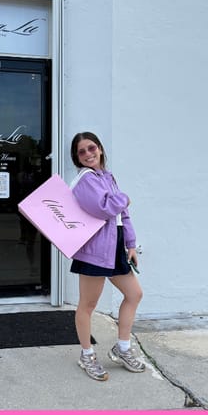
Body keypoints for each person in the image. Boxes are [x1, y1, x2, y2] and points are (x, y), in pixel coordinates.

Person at [69, 131, 145, 381]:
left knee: (134, 294)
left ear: (100, 149)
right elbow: (105, 208)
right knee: (88, 305)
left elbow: (123, 215)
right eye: (82, 152)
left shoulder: (108, 177)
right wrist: (125, 198)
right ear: (77, 158)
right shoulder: (86, 180)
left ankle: (122, 348)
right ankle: (87, 354)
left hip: (115, 245)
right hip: (94, 250)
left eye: (92, 148)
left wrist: (131, 244)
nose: (88, 154)